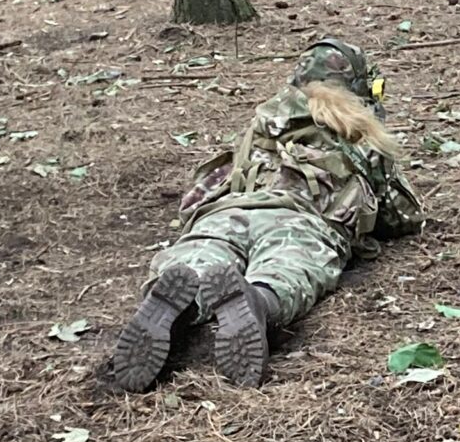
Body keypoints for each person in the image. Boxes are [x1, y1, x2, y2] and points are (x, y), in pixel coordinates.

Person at [113, 38, 424, 392]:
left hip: (229, 212)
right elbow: (402, 217)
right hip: (300, 220)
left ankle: (178, 303)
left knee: (201, 254)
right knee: (287, 268)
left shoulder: (264, 121)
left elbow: (209, 185)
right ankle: (257, 302)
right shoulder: (356, 128)